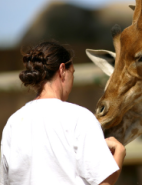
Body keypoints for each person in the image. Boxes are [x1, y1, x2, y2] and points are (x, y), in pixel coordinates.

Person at [0, 41, 126, 185]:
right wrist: (120, 153)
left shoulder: (13, 122)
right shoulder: (80, 118)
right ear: (62, 70)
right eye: (72, 73)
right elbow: (104, 183)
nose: (72, 79)